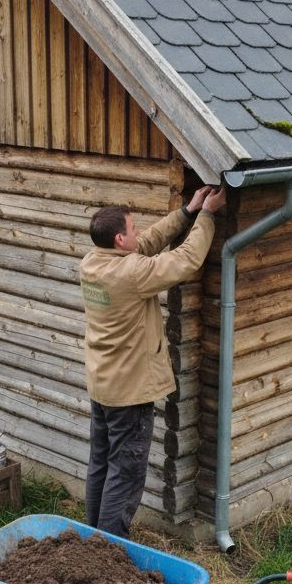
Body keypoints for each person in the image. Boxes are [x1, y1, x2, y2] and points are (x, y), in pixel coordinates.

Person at [79, 184, 226, 538]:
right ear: (119, 240)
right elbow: (185, 260)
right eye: (132, 228)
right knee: (125, 472)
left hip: (103, 386)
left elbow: (145, 245)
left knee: (101, 463)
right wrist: (207, 215)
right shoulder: (131, 274)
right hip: (129, 392)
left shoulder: (92, 262)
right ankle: (108, 547)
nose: (139, 232)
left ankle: (91, 538)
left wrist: (187, 212)